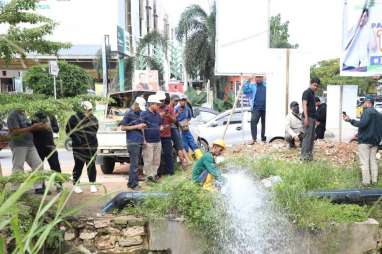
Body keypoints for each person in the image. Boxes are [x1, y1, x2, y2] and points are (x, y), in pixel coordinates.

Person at [7, 107, 47, 193]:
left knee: (38, 164)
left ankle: (38, 187)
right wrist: (32, 128)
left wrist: (39, 127)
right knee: (18, 167)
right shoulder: (12, 115)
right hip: (18, 145)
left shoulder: (24, 113)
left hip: (30, 144)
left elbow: (28, 127)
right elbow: (14, 132)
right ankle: (14, 189)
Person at [343, 96, 381, 186]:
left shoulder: (367, 112)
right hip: (375, 141)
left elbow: (362, 124)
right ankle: (374, 181)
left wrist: (350, 120)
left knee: (364, 162)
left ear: (368, 102)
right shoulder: (379, 114)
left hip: (365, 141)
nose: (363, 104)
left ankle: (366, 182)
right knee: (373, 161)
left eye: (364, 102)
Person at [66, 101, 99, 194]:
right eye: (88, 110)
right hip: (78, 147)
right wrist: (76, 138)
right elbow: (68, 130)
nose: (90, 112)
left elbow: (95, 130)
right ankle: (76, 185)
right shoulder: (73, 118)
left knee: (91, 165)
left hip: (91, 146)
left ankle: (92, 184)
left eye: (90, 110)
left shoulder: (94, 119)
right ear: (83, 109)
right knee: (78, 166)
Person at [120, 97, 147, 190]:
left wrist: (143, 139)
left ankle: (132, 183)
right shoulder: (128, 114)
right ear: (136, 104)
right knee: (134, 164)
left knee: (137, 164)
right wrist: (136, 126)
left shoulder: (139, 113)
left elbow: (141, 127)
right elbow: (123, 127)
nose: (140, 109)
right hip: (132, 141)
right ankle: (134, 184)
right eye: (139, 107)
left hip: (139, 141)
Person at [342, 8, 377, 72]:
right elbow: (344, 45)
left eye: (365, 16)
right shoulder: (352, 28)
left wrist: (374, 31)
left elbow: (373, 48)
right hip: (349, 64)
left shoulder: (369, 31)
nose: (363, 18)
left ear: (367, 18)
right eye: (361, 16)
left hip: (362, 66)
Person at [141, 95, 162, 183]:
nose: (158, 106)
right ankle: (148, 177)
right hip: (148, 141)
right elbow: (141, 128)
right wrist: (144, 140)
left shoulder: (158, 115)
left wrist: (160, 128)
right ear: (151, 104)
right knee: (148, 160)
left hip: (157, 140)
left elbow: (160, 124)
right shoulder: (144, 114)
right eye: (157, 104)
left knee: (156, 160)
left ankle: (153, 176)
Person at [156, 91, 175, 177]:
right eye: (160, 100)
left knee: (168, 154)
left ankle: (170, 172)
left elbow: (174, 120)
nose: (161, 102)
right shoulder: (155, 108)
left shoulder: (169, 108)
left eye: (162, 100)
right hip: (157, 136)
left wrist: (168, 115)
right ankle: (158, 173)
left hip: (167, 135)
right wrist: (162, 114)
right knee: (157, 155)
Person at [243, 75, 266, 144]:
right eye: (257, 77)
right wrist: (248, 80)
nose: (258, 78)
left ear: (262, 78)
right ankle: (254, 139)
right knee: (253, 122)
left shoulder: (267, 85)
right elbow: (245, 90)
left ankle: (263, 138)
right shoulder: (253, 86)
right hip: (256, 108)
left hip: (266, 108)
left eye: (260, 77)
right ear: (255, 78)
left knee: (264, 124)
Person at [301, 78, 320, 161]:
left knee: (312, 138)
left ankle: (309, 156)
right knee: (307, 138)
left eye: (317, 86)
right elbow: (304, 105)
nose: (315, 87)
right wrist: (305, 117)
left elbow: (312, 108)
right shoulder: (307, 92)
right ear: (311, 84)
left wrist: (315, 120)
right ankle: (304, 157)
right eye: (314, 85)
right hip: (307, 118)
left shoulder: (313, 94)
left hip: (312, 118)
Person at [169, 94, 190, 166]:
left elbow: (188, 117)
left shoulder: (176, 108)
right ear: (171, 100)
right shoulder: (171, 108)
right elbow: (173, 119)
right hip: (172, 128)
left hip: (177, 127)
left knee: (180, 146)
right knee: (179, 146)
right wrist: (177, 115)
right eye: (176, 101)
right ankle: (185, 161)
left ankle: (185, 161)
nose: (177, 102)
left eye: (178, 101)